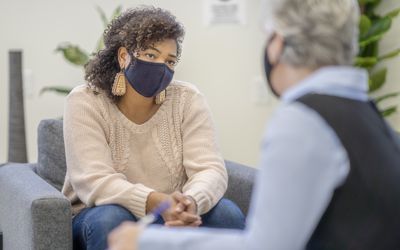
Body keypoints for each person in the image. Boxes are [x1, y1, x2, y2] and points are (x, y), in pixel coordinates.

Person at [107, 0, 400, 249]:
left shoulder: (304, 120)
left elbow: (267, 246)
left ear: (279, 44)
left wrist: (146, 240)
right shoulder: (370, 117)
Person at [62, 6, 245, 250]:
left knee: (227, 215)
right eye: (151, 55)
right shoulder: (85, 101)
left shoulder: (187, 99)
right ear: (124, 57)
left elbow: (209, 168)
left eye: (170, 61)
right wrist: (155, 201)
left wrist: (190, 202)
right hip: (100, 213)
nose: (161, 67)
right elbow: (95, 180)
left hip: (172, 212)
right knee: (112, 219)